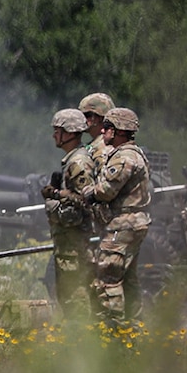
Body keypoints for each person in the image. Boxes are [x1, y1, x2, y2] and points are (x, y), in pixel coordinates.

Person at [79, 107, 153, 326]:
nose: (103, 131)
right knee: (128, 280)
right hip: (132, 224)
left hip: (122, 225)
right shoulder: (133, 154)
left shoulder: (124, 158)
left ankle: (113, 331)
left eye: (108, 127)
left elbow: (105, 191)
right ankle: (134, 328)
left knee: (107, 279)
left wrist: (88, 192)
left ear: (120, 131)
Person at [40, 108, 96, 320]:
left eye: (58, 130)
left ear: (70, 132)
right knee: (69, 299)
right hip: (69, 246)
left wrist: (53, 205)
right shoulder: (73, 161)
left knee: (76, 299)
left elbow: (86, 205)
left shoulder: (78, 164)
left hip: (75, 247)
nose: (54, 135)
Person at [78, 92, 115, 170]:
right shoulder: (94, 145)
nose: (83, 119)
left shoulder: (105, 146)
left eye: (87, 115)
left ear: (100, 118)